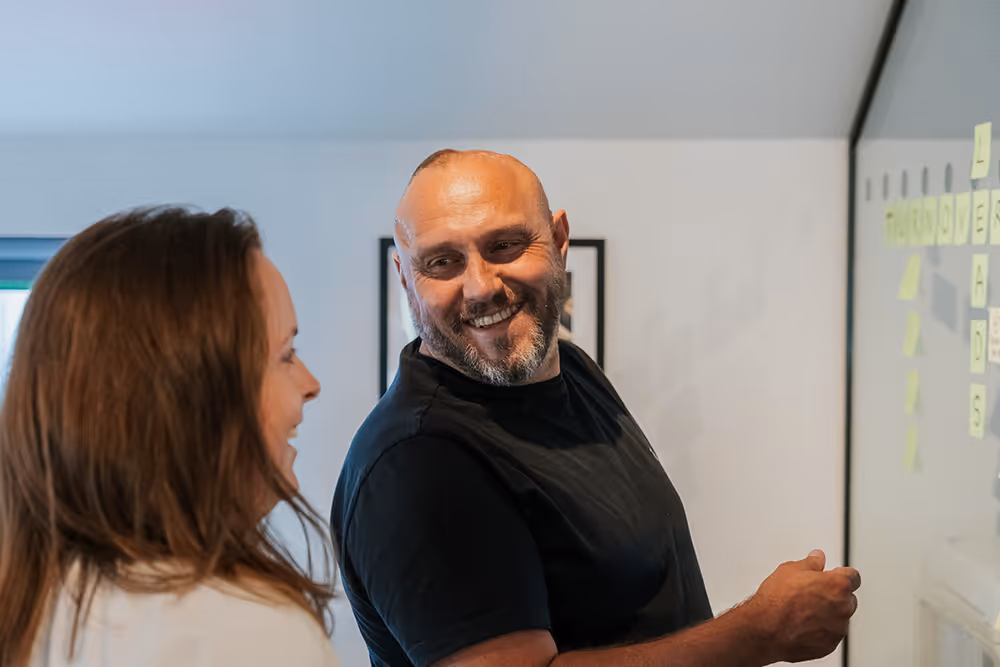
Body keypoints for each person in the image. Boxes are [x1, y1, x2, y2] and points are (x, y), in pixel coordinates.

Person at [332, 150, 861, 667]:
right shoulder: (418, 463)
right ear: (405, 278)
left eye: (506, 245)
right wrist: (759, 632)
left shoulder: (571, 370)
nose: (480, 287)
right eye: (442, 262)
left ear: (559, 242)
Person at [0, 208, 339, 667]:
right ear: (190, 396)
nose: (311, 382)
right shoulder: (244, 632)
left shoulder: (36, 604)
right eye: (286, 355)